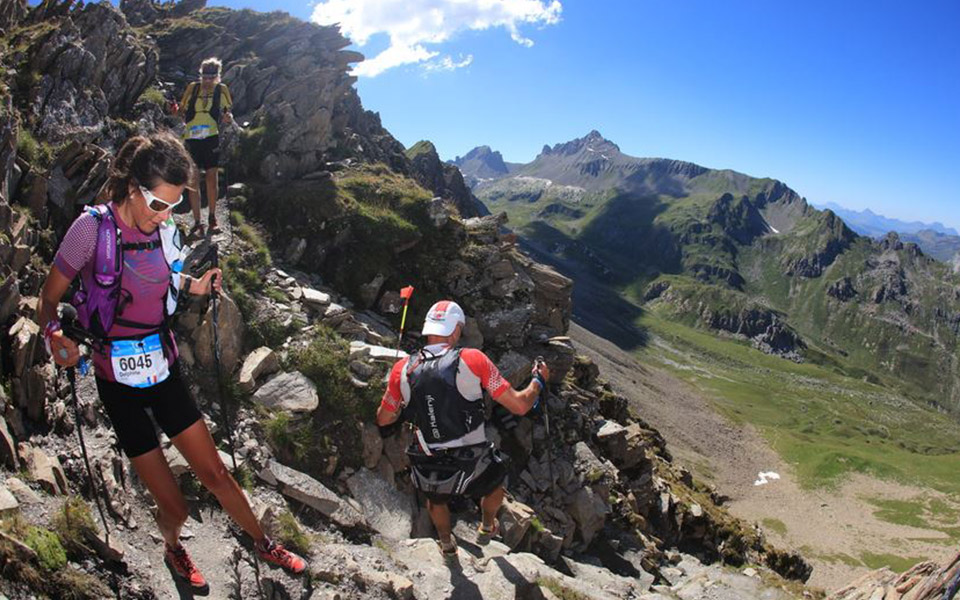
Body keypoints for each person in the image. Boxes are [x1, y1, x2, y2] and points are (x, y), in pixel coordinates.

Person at [37, 133, 305, 591]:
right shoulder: (90, 229)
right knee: (176, 507)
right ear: (130, 187)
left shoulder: (164, 230)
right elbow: (48, 297)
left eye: (175, 206)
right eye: (159, 204)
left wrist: (195, 286)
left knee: (217, 472)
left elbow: (164, 275)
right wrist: (53, 333)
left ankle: (262, 542)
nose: (165, 215)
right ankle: (172, 544)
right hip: (115, 379)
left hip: (161, 367)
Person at [376, 300, 550, 560]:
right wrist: (538, 381)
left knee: (436, 501)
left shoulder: (402, 369)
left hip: (428, 457)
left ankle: (446, 542)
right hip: (471, 457)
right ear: (456, 329)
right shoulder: (472, 359)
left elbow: (384, 418)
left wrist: (403, 399)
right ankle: (487, 524)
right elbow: (520, 405)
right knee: (495, 484)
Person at [179, 57, 233, 237]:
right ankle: (197, 222)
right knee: (193, 179)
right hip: (192, 138)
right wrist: (175, 110)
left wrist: (228, 118)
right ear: (201, 75)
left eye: (212, 77)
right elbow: (181, 109)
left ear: (217, 76)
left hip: (211, 137)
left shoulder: (221, 89)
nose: (208, 81)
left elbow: (227, 112)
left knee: (211, 177)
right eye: (205, 77)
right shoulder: (192, 88)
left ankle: (212, 218)